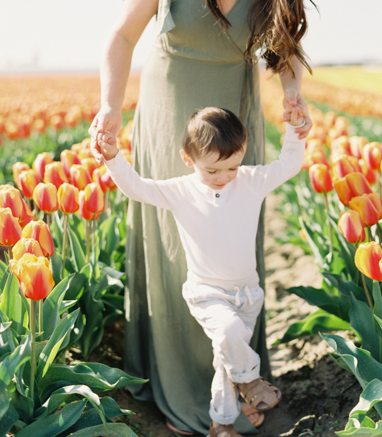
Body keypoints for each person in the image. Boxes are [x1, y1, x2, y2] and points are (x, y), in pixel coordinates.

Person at [89, 0, 313, 434]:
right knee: (175, 238)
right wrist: (110, 108)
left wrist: (292, 95)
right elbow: (120, 36)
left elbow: (283, 48)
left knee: (231, 236)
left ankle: (239, 381)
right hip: (170, 112)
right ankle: (177, 380)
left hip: (236, 113)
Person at [95, 107, 304, 437]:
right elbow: (136, 187)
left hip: (248, 292)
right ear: (187, 158)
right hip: (207, 292)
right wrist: (112, 157)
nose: (223, 176)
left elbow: (289, 165)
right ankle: (250, 380)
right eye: (213, 170)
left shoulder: (250, 181)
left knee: (226, 359)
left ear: (243, 153)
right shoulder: (181, 190)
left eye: (232, 166)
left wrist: (294, 132)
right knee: (228, 334)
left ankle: (220, 424)